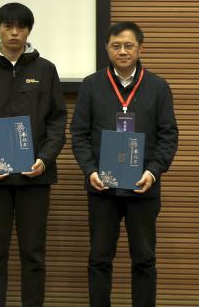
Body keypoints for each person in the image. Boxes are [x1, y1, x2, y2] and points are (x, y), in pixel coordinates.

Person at [0, 2, 67, 307]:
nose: (15, 33)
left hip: (35, 177)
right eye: (8, 26)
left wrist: (44, 159)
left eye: (21, 27)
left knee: (34, 254)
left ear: (29, 31)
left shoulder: (46, 70)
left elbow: (57, 122)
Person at [70, 22, 178, 307]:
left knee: (144, 259)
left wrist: (153, 172)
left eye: (128, 45)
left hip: (143, 187)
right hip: (101, 188)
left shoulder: (158, 87)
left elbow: (168, 136)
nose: (122, 51)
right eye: (116, 45)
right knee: (99, 259)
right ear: (106, 48)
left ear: (140, 48)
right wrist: (90, 170)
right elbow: (79, 134)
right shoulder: (91, 85)